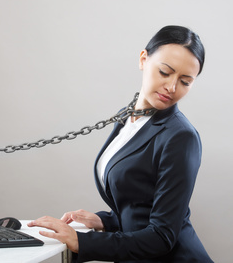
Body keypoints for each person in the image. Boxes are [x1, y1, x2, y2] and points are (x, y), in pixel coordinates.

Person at [28, 25, 213, 262]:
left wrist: (81, 241)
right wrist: (107, 221)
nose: (172, 87)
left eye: (185, 82)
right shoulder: (127, 117)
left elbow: (162, 236)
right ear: (143, 59)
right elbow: (143, 203)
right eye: (165, 72)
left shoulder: (180, 137)